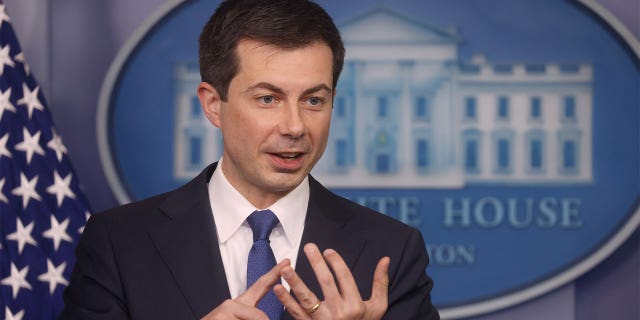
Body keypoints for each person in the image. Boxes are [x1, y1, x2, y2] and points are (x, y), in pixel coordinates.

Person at [60, 0, 439, 319]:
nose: (295, 126)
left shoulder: (390, 250)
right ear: (213, 104)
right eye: (268, 99)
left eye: (313, 100)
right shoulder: (119, 242)